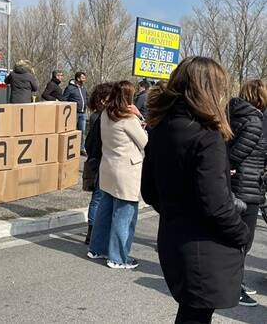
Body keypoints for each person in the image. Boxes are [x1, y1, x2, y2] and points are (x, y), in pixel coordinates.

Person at [141, 56, 249, 324]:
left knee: (191, 315)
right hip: (204, 248)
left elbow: (149, 191)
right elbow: (217, 205)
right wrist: (242, 233)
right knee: (196, 316)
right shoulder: (206, 136)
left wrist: (178, 210)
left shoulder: (162, 128)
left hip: (174, 240)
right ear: (209, 89)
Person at [87, 80, 147, 269]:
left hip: (109, 167)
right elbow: (144, 141)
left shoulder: (106, 114)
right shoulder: (128, 118)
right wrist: (139, 117)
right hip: (127, 171)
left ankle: (97, 248)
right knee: (125, 214)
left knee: (105, 210)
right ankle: (118, 257)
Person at [228, 79, 267, 307]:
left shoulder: (235, 114)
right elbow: (238, 153)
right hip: (247, 187)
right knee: (244, 240)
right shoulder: (255, 121)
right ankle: (234, 286)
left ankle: (234, 281)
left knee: (236, 238)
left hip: (238, 184)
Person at [82, 82, 113, 244]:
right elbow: (90, 142)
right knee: (98, 197)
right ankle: (92, 231)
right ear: (102, 100)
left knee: (99, 197)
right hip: (100, 160)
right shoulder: (99, 117)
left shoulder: (101, 115)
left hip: (99, 159)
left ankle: (93, 231)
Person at [63, 71, 88, 154]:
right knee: (72, 131)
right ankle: (70, 148)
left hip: (83, 113)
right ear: (78, 78)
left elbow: (86, 98)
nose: (84, 79)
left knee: (82, 131)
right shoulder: (70, 88)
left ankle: (81, 149)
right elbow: (64, 99)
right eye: (83, 77)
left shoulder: (83, 88)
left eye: (85, 77)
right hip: (73, 113)